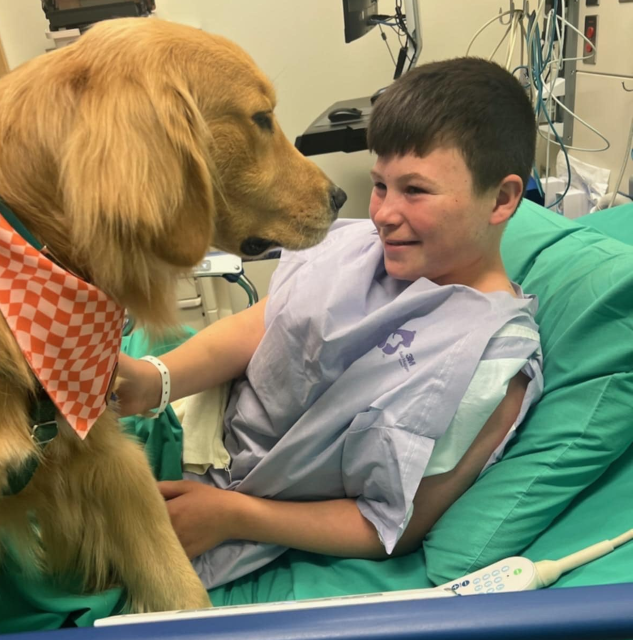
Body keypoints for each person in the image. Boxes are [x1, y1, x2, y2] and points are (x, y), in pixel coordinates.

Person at [117, 57, 543, 590]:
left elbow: (394, 523)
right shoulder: (358, 246)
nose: (383, 213)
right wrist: (151, 381)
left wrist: (230, 514)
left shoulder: (494, 362)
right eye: (380, 185)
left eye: (415, 190)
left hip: (217, 501)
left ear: (502, 199)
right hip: (176, 425)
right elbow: (263, 324)